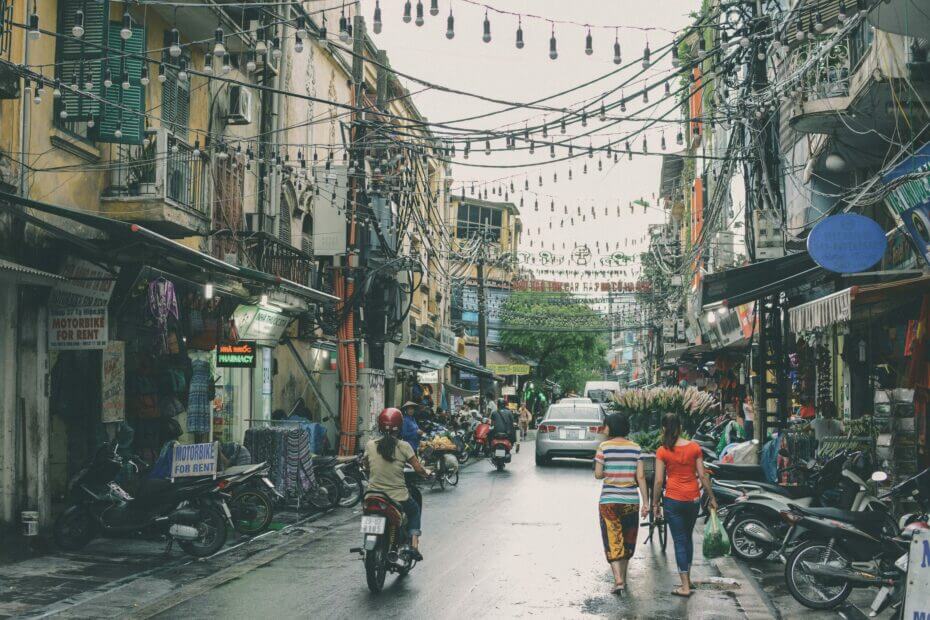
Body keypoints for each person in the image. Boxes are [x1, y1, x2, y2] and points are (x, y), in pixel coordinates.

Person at [653, 412, 717, 598]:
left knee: (679, 541)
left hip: (673, 499)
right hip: (693, 499)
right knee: (687, 539)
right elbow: (703, 476)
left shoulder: (662, 450)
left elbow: (658, 481)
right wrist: (711, 497)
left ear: (664, 428)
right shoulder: (694, 447)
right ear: (680, 427)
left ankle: (685, 587)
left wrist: (656, 503)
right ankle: (686, 580)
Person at [364, 408, 432, 560]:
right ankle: (414, 545)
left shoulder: (370, 445)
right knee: (414, 510)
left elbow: (366, 466)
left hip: (373, 494)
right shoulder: (404, 446)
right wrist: (426, 473)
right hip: (397, 496)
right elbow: (418, 468)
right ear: (400, 426)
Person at [594, 413, 648, 595]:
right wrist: (646, 503)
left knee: (612, 540)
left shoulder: (604, 447)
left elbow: (598, 474)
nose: (604, 428)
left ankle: (618, 580)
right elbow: (640, 477)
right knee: (627, 540)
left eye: (606, 425)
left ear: (612, 427)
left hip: (609, 501)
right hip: (631, 501)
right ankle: (622, 579)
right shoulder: (635, 448)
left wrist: (610, 471)